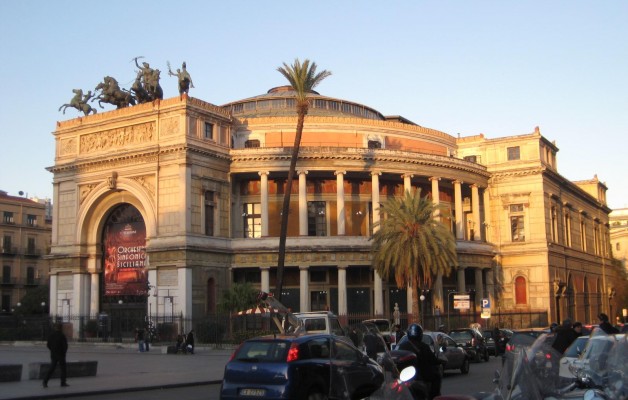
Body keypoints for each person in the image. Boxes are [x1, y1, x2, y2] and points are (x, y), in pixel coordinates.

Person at [397, 323, 442, 400]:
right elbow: (433, 360)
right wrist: (440, 361)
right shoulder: (424, 347)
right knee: (437, 376)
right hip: (420, 375)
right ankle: (433, 397)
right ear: (420, 335)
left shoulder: (402, 346)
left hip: (404, 375)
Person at [43, 323, 69, 388]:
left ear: (55, 328)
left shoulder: (51, 335)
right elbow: (65, 346)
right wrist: (64, 352)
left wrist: (52, 350)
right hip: (61, 355)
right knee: (63, 369)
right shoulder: (62, 335)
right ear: (61, 328)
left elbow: (48, 345)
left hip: (53, 354)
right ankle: (63, 382)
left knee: (51, 368)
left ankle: (45, 381)